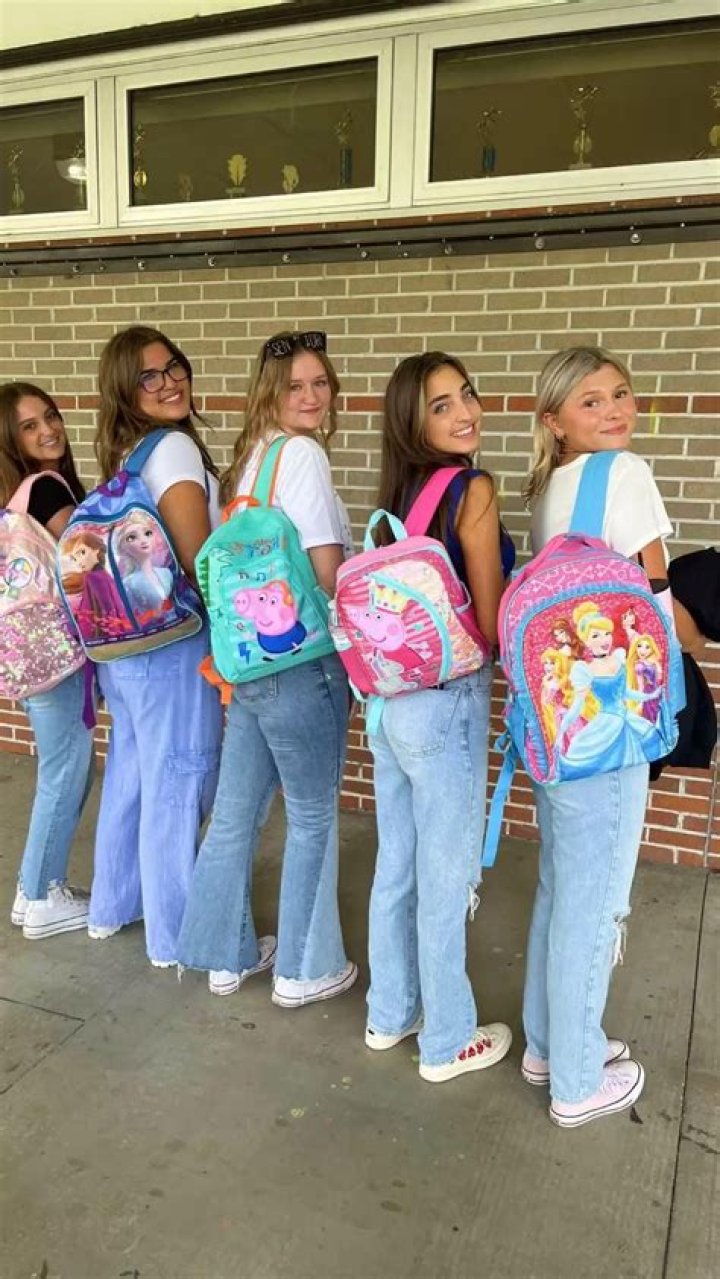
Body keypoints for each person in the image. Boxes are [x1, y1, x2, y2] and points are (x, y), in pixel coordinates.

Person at [520, 345, 700, 1127]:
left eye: (620, 394)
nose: (614, 410)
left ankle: (550, 1045)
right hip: (614, 726)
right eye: (590, 401)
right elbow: (659, 606)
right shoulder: (625, 473)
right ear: (555, 420)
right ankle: (576, 1080)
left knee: (562, 887)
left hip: (558, 727)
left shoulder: (548, 489)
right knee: (596, 905)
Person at [177, 330, 356, 1004]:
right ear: (270, 393)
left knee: (235, 813)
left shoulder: (250, 459)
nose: (311, 396)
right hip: (303, 661)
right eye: (294, 386)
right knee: (312, 816)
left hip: (248, 665)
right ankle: (307, 969)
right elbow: (325, 571)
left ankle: (225, 955)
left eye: (320, 382)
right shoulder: (303, 454)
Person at [364, 351, 515, 1084]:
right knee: (446, 874)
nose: (465, 412)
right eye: (441, 405)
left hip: (389, 704)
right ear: (413, 421)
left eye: (467, 395)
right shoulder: (471, 489)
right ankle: (448, 1038)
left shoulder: (401, 495)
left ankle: (389, 1012)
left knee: (396, 863)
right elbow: (487, 620)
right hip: (448, 702)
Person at [87, 325, 223, 968]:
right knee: (181, 779)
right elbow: (199, 558)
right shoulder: (174, 447)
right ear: (125, 388)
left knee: (135, 774)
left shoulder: (128, 453)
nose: (169, 382)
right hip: (173, 642)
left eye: (174, 367)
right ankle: (180, 936)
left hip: (124, 646)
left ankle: (114, 905)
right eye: (149, 376)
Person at [0, 381, 94, 939]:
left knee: (64, 767)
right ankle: (42, 895)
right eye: (29, 426)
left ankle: (30, 888)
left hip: (26, 653)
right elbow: (91, 556)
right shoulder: (44, 491)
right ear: (10, 440)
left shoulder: (12, 498)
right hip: (55, 652)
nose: (49, 430)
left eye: (50, 417)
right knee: (65, 770)